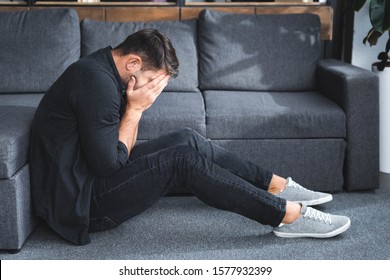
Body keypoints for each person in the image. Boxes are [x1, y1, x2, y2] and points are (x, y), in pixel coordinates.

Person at [30, 29, 351, 246]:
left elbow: (114, 152)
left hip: (84, 177)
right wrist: (136, 110)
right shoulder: (97, 84)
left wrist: (134, 106)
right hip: (81, 205)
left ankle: (275, 184)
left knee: (187, 139)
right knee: (182, 161)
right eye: (154, 80)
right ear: (133, 62)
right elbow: (110, 166)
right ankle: (287, 215)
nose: (153, 89)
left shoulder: (103, 69)